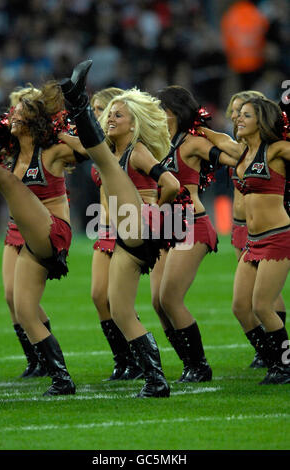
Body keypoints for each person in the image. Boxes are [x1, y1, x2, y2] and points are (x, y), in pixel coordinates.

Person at [59, 60, 187, 397]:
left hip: (136, 224)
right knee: (119, 309)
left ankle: (77, 101)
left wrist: (154, 215)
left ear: (134, 125)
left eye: (118, 114)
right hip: (121, 233)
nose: (112, 118)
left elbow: (172, 183)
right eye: (109, 113)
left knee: (103, 158)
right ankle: (155, 380)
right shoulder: (118, 153)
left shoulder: (137, 150)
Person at [0, 80, 89, 396]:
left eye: (17, 116)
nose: (10, 120)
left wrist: (60, 131)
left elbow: (91, 150)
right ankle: (59, 378)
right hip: (23, 234)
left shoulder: (53, 152)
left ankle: (59, 377)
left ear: (33, 121)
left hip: (52, 233)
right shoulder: (12, 151)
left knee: (5, 180)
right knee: (21, 308)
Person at [148, 85, 238, 383]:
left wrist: (207, 132)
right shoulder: (158, 143)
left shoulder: (192, 143)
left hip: (191, 222)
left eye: (158, 108)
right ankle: (189, 363)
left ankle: (200, 366)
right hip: (164, 228)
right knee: (158, 303)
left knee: (170, 297)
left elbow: (235, 155)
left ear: (171, 112)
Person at [201, 96, 290, 384]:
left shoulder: (276, 150)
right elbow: (209, 134)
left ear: (261, 122)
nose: (238, 118)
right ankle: (272, 359)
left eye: (247, 116)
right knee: (241, 306)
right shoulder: (241, 152)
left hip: (277, 237)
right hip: (252, 240)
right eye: (238, 115)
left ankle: (285, 366)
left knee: (263, 305)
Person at [0, 86, 52, 379]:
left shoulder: (46, 150)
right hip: (13, 228)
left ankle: (46, 358)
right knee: (9, 295)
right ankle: (35, 359)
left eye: (19, 110)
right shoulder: (9, 148)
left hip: (38, 231)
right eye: (12, 110)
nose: (11, 116)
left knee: (23, 301)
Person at [90, 86, 143, 381]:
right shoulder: (104, 147)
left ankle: (137, 360)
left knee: (119, 301)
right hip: (104, 227)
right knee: (99, 296)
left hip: (126, 229)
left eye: (105, 110)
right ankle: (123, 360)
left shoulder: (133, 147)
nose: (100, 116)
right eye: (98, 111)